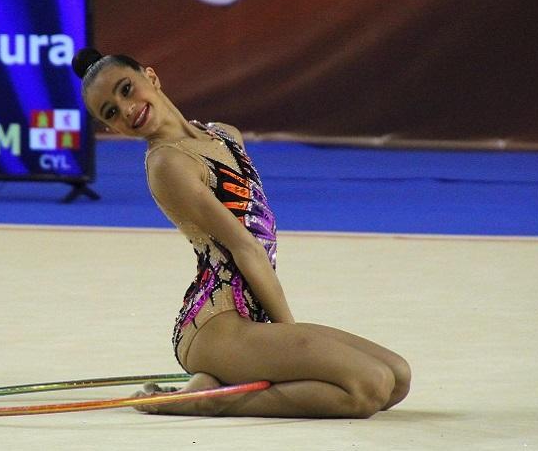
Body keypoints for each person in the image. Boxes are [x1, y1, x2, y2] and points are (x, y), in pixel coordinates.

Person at [73, 48, 410, 418]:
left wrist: (293, 349)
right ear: (113, 129)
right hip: (216, 326)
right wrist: (292, 339)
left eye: (126, 89)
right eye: (111, 113)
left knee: (397, 378)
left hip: (248, 322)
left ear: (150, 78)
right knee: (368, 387)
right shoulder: (167, 163)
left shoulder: (225, 135)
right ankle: (210, 400)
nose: (126, 109)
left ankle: (214, 387)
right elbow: (244, 247)